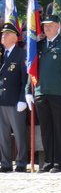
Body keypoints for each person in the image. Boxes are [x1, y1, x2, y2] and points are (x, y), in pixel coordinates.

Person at [25, 15, 61, 173]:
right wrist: (29, 90)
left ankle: (59, 163)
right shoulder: (39, 45)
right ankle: (48, 161)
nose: (46, 28)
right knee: (46, 129)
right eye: (44, 25)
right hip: (41, 93)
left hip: (59, 93)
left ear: (58, 27)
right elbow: (32, 69)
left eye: (50, 25)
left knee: (60, 129)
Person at [0, 23, 28, 172]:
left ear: (15, 37)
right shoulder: (1, 54)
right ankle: (5, 163)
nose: (3, 36)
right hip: (1, 100)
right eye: (2, 34)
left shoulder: (21, 54)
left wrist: (23, 99)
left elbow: (25, 79)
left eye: (6, 33)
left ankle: (22, 162)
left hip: (15, 101)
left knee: (19, 133)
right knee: (2, 134)